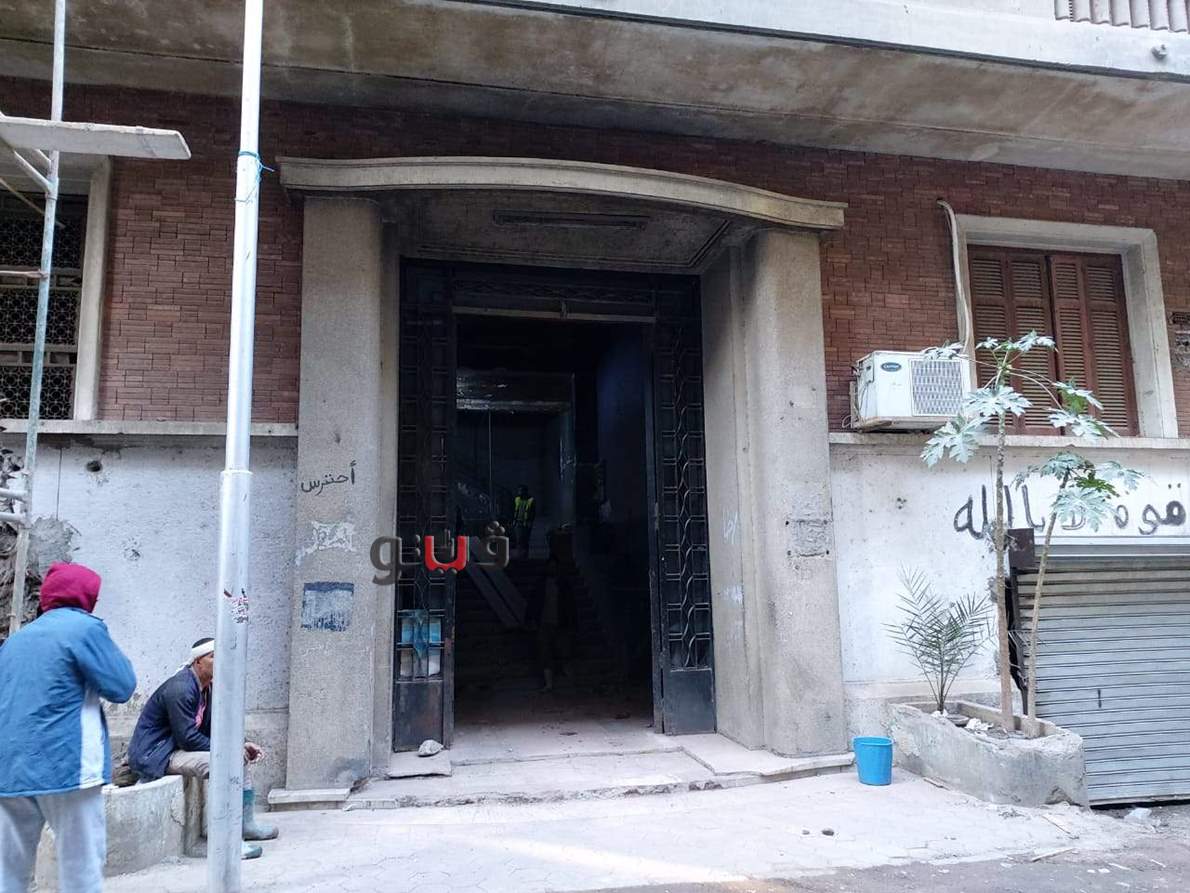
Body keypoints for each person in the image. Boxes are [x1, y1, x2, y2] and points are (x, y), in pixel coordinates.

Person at [0, 562, 137, 893]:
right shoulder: (85, 629)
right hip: (66, 766)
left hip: (10, 769)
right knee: (81, 871)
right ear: (86, 597)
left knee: (8, 873)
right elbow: (122, 686)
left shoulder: (14, 641)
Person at [127, 637, 277, 860]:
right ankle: (226, 841)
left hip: (175, 749)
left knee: (238, 759)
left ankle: (245, 825)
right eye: (213, 656)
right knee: (224, 764)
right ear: (197, 661)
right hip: (158, 753)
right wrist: (229, 751)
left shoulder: (207, 688)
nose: (220, 661)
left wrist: (240, 745)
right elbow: (187, 738)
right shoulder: (181, 688)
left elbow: (218, 727)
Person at [512, 484, 536, 560]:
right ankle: (520, 555)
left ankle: (525, 556)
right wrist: (513, 521)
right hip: (518, 523)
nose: (519, 492)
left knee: (525, 540)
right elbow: (514, 510)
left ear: (525, 491)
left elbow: (533, 512)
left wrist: (530, 522)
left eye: (521, 491)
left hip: (526, 523)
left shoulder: (531, 500)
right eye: (519, 491)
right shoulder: (517, 499)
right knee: (519, 540)